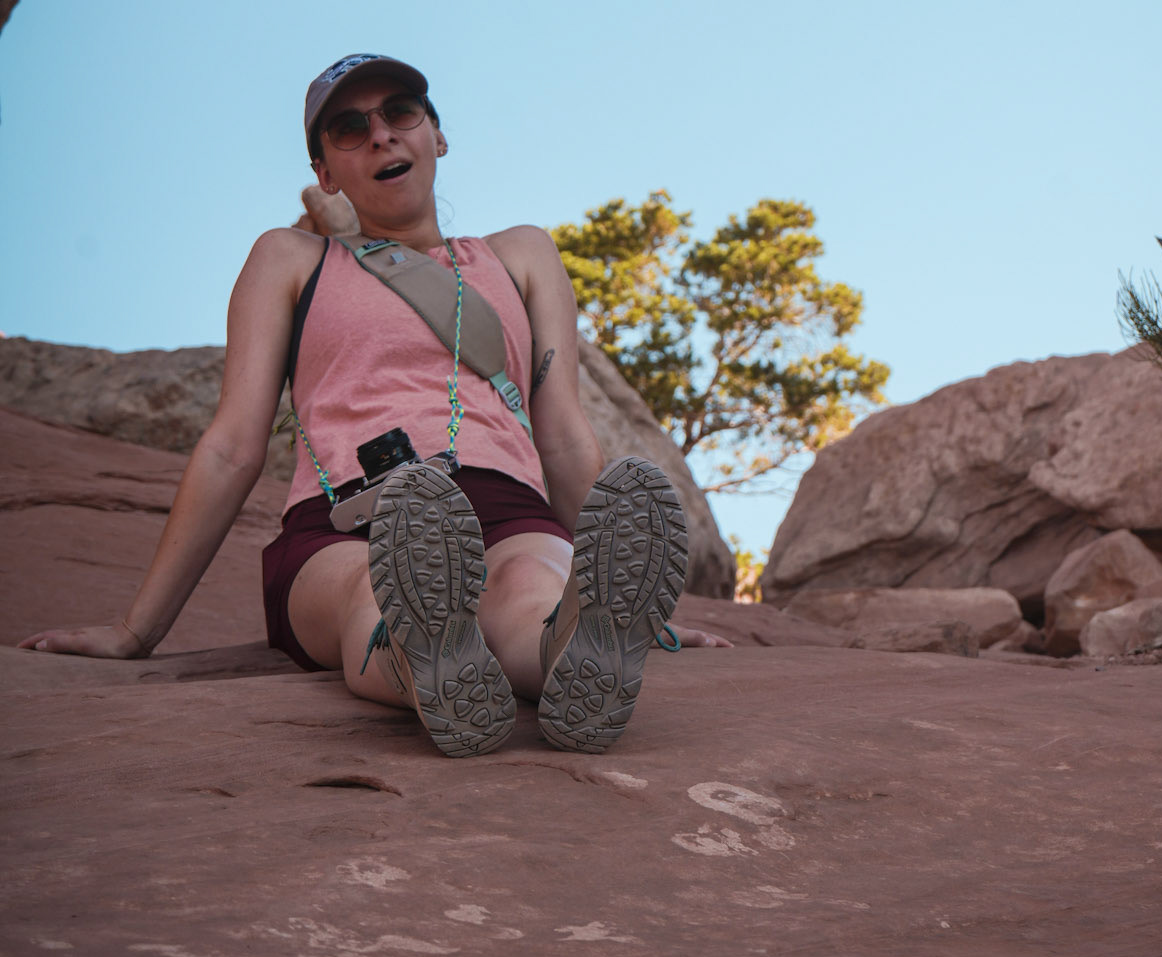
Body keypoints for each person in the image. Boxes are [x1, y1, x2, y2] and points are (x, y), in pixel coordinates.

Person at [23, 53, 727, 756]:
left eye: (400, 112)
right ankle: (431, 662)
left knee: (532, 589)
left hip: (507, 507)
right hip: (344, 521)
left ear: (436, 135)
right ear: (325, 173)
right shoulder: (290, 260)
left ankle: (576, 653)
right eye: (349, 128)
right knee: (373, 589)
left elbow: (564, 436)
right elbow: (231, 446)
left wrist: (644, 614)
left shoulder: (520, 256)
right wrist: (136, 630)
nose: (381, 134)